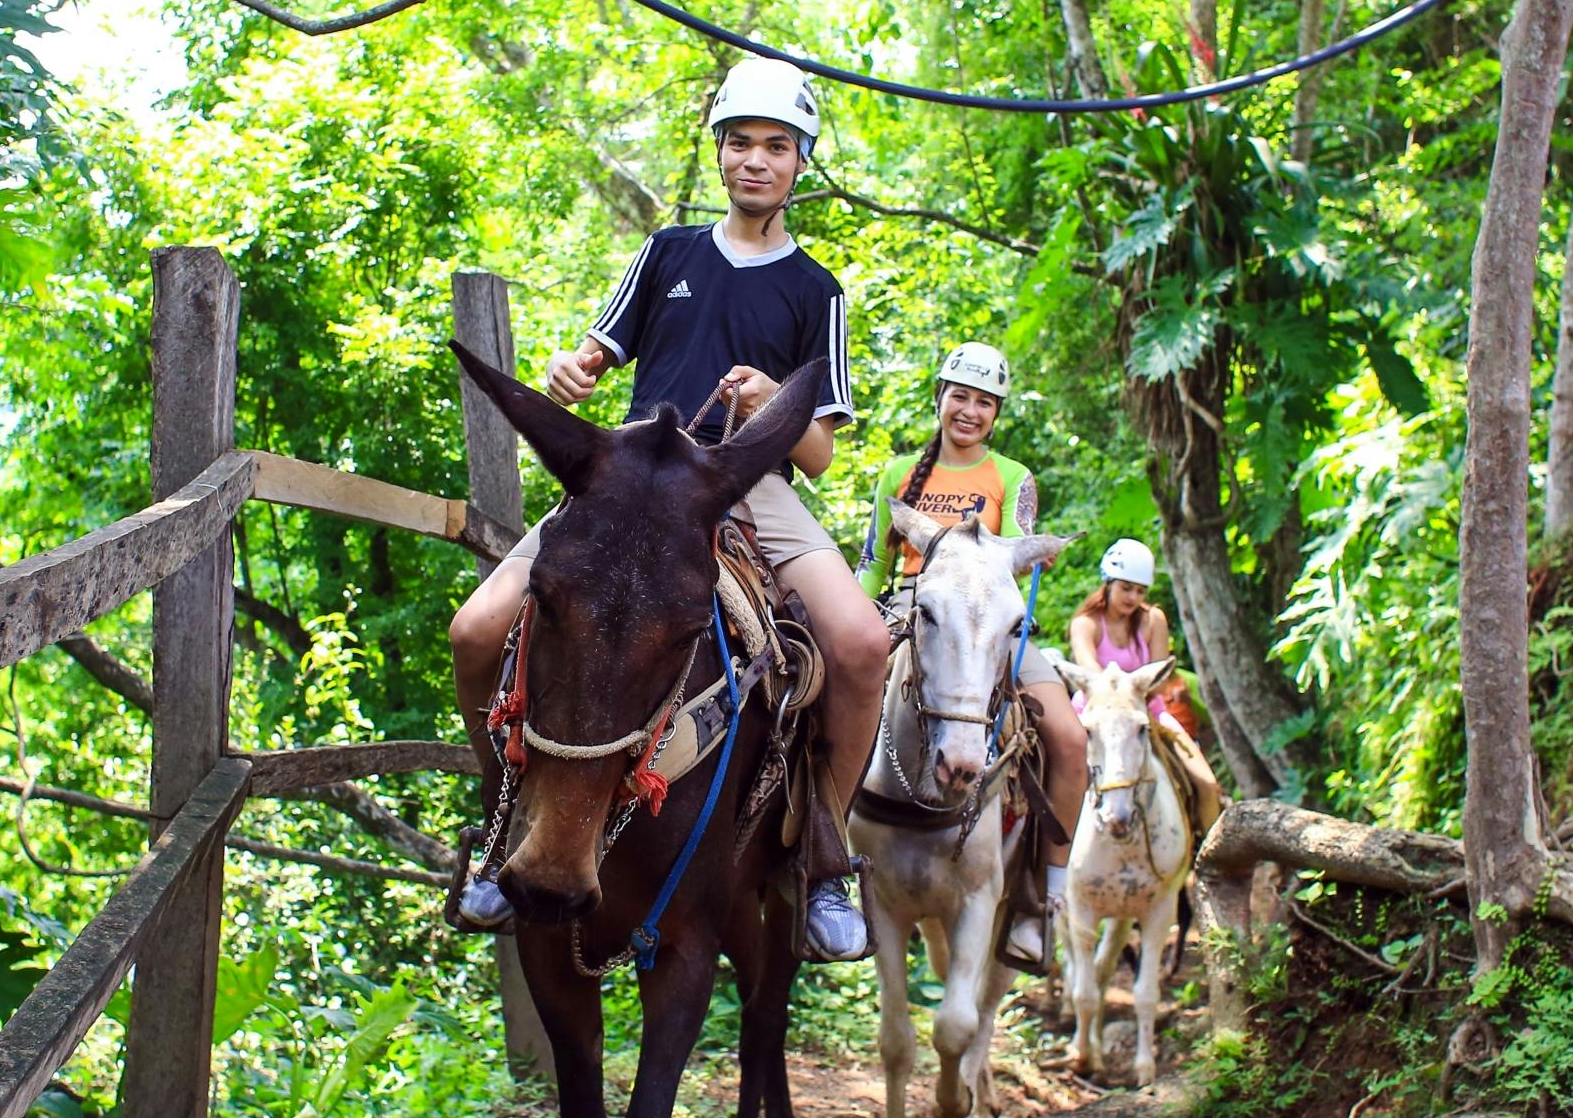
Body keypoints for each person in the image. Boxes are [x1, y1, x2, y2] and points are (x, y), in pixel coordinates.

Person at [447, 56, 891, 961]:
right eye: (740, 143)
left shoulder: (817, 289)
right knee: (473, 628)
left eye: (776, 146)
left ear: (801, 162)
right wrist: (573, 373)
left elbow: (819, 450)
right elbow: (593, 356)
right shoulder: (669, 252)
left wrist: (773, 400)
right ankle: (500, 832)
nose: (756, 161)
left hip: (749, 486)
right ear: (720, 152)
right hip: (631, 483)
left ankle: (827, 856)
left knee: (861, 644)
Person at [855, 342, 1089, 969]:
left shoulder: (1013, 478)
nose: (970, 410)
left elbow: (1016, 573)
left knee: (1068, 738)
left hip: (987, 623)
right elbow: (875, 561)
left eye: (984, 402)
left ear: (996, 413)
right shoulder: (897, 474)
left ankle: (1044, 901)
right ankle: (820, 870)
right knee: (820, 703)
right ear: (940, 398)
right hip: (909, 608)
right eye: (960, 395)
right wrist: (854, 622)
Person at [1067, 539, 1223, 831]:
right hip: (1094, 717)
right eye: (1126, 588)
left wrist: (1137, 698)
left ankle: (1211, 860)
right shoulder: (1086, 623)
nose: (1133, 597)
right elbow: (1094, 677)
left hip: (1146, 712)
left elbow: (1159, 678)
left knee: (1206, 783)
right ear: (1108, 583)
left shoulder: (1153, 620)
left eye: (1140, 591)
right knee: (1060, 779)